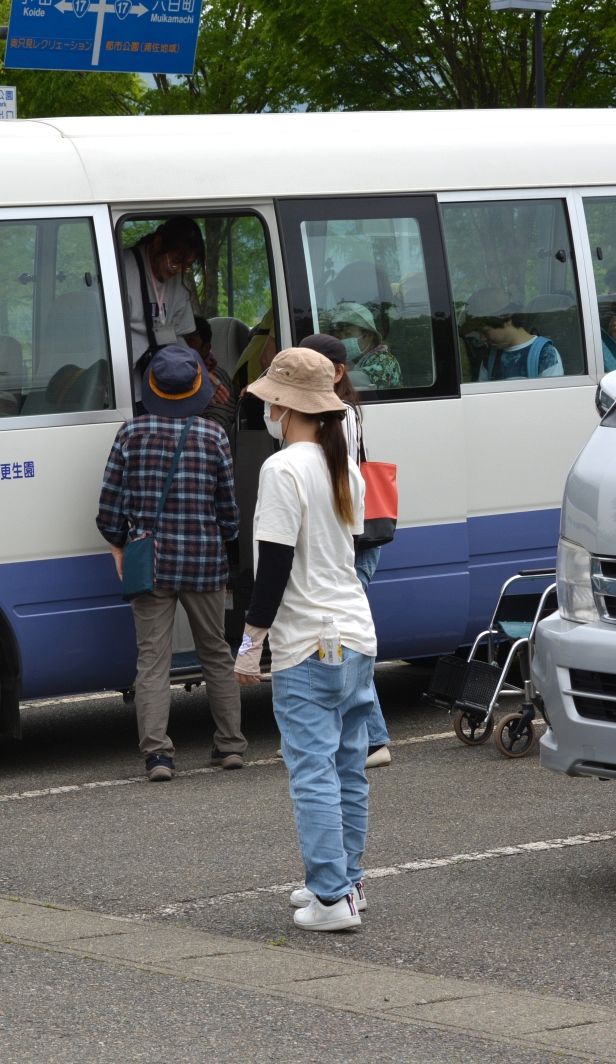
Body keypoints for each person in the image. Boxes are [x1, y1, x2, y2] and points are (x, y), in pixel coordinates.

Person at [235, 348, 377, 933]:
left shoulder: (281, 468)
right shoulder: (345, 466)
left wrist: (250, 645)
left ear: (283, 406)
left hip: (308, 641)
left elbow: (273, 567)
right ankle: (349, 883)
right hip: (357, 632)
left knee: (313, 772)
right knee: (348, 768)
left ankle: (330, 898)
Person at [96, 344, 247, 782]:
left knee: (152, 660)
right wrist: (226, 541)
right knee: (215, 652)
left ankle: (158, 756)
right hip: (204, 561)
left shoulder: (130, 434)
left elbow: (109, 505)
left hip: (152, 562)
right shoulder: (213, 436)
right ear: (197, 387)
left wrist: (119, 544)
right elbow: (228, 511)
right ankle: (230, 745)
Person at [299, 334, 390, 770]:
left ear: (337, 373)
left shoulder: (343, 413)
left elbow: (340, 481)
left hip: (353, 544)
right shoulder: (318, 411)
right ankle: (342, 738)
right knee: (336, 638)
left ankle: (373, 741)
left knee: (346, 641)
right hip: (344, 542)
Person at [123, 218, 205, 399]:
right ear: (158, 243)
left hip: (157, 383)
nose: (178, 270)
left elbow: (176, 337)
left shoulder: (179, 284)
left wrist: (198, 371)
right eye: (175, 260)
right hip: (122, 383)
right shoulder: (124, 270)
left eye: (187, 265)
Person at [461, 289, 564, 381]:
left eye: (485, 332)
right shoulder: (490, 357)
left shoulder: (545, 354)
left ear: (507, 320)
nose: (482, 339)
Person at [326, 302, 402, 390]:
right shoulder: (353, 360)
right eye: (338, 336)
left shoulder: (383, 360)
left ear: (369, 335)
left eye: (348, 334)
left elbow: (354, 385)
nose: (342, 340)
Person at [183, 318, 236, 433]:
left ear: (206, 348)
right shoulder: (178, 375)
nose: (184, 346)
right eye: (180, 339)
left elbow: (215, 426)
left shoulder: (215, 379)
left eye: (191, 340)